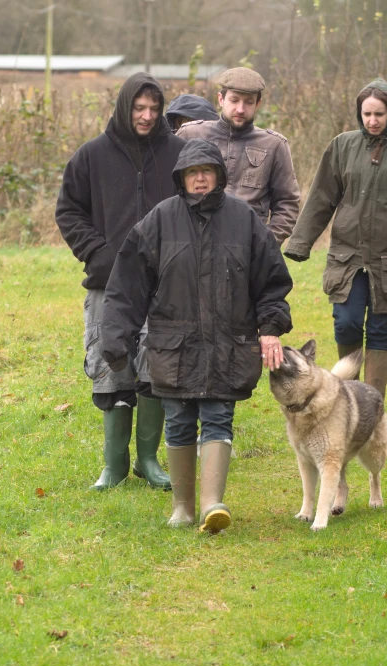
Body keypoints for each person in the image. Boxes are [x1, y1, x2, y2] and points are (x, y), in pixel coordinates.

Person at [101, 138, 293, 533]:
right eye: (193, 173)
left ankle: (212, 505)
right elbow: (128, 284)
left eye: (207, 171)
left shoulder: (244, 220)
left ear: (219, 177)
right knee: (178, 421)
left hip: (230, 343)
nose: (200, 179)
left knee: (219, 417)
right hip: (174, 346)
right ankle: (182, 508)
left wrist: (271, 328)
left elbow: (271, 282)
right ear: (182, 179)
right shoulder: (158, 221)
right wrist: (116, 336)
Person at [55, 73, 186, 491]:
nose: (146, 116)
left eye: (153, 109)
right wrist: (99, 252)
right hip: (107, 284)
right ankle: (114, 465)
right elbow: (69, 211)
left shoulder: (178, 154)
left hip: (162, 284)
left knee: (155, 364)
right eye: (138, 108)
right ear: (124, 107)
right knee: (109, 365)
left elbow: (197, 207)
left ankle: (148, 461)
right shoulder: (91, 155)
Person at [284, 78, 387, 400]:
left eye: (379, 114)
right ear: (359, 113)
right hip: (348, 257)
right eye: (367, 113)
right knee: (347, 323)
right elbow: (321, 198)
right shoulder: (342, 146)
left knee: (382, 330)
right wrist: (300, 243)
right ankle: (350, 396)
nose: (373, 120)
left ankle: (372, 404)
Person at [176, 67, 300, 246]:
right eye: (234, 100)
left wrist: (266, 244)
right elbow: (169, 191)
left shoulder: (274, 145)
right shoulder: (190, 135)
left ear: (258, 104)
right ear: (221, 99)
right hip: (192, 244)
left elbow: (287, 203)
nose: (240, 109)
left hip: (247, 249)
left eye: (249, 102)